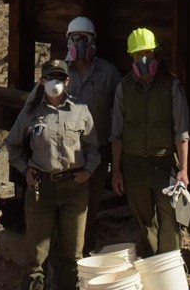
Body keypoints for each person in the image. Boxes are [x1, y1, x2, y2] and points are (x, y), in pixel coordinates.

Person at [6, 59, 100, 290]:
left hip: (74, 190)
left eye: (59, 78)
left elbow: (93, 147)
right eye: (50, 78)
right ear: (42, 81)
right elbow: (12, 145)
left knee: (73, 255)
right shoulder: (31, 112)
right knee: (36, 257)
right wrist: (25, 169)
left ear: (67, 81)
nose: (54, 83)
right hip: (41, 190)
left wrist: (88, 171)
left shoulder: (81, 109)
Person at [110, 28, 190, 257]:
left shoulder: (172, 86)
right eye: (137, 55)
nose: (143, 59)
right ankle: (154, 268)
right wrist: (116, 170)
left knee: (170, 222)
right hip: (133, 165)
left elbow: (181, 132)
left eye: (146, 53)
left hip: (163, 164)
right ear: (131, 57)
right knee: (144, 223)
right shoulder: (124, 88)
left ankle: (171, 269)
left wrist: (183, 169)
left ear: (156, 54)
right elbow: (116, 134)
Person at [64, 16, 121, 255]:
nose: (80, 43)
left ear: (93, 41)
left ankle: (83, 259)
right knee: (66, 211)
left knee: (90, 209)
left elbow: (120, 114)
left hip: (97, 157)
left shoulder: (108, 73)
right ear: (68, 42)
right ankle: (64, 261)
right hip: (66, 157)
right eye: (75, 38)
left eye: (84, 38)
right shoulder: (59, 74)